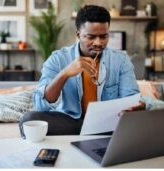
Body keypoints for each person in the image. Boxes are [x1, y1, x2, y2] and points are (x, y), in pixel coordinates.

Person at [19, 5, 144, 137]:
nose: (98, 43)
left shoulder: (121, 60)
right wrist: (65, 73)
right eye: (91, 37)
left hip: (106, 123)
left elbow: (130, 97)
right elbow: (41, 105)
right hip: (70, 122)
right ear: (78, 34)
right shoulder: (58, 59)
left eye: (104, 36)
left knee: (147, 120)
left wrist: (134, 107)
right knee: (29, 119)